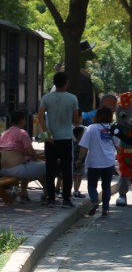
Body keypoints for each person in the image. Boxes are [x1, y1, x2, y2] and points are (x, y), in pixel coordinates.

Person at [37, 71, 81, 208]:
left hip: (51, 138)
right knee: (66, 169)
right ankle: (66, 199)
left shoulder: (46, 98)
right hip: (66, 137)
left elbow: (40, 117)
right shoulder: (73, 98)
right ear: (66, 83)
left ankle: (51, 198)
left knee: (50, 168)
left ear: (54, 83)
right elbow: (75, 119)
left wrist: (46, 134)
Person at [76, 107, 118, 217]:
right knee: (106, 187)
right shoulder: (112, 128)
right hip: (109, 161)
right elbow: (118, 145)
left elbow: (84, 146)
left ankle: (94, 201)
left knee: (92, 185)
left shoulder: (91, 128)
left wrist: (80, 159)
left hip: (94, 162)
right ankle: (106, 209)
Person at [0, 110, 46, 202]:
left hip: (3, 168)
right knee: (46, 166)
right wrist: (37, 159)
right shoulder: (22, 133)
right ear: (22, 120)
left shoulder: (4, 134)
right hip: (16, 169)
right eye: (24, 119)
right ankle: (48, 193)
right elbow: (30, 152)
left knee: (29, 164)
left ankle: (24, 193)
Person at [71, 125, 87, 199]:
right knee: (78, 176)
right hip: (80, 161)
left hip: (73, 161)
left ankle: (74, 191)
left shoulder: (73, 143)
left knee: (74, 176)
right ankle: (76, 192)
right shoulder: (82, 144)